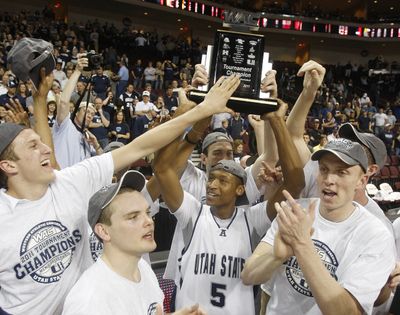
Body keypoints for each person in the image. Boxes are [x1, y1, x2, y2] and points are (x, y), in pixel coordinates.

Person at [0, 70, 240, 314]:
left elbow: (140, 146)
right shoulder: (9, 217)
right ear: (8, 166)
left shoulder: (69, 185)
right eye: (33, 145)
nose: (46, 149)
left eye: (144, 214)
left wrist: (198, 112)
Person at [241, 138, 396, 315]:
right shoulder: (295, 211)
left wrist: (302, 245)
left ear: (362, 181)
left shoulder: (376, 234)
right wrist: (275, 257)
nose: (329, 179)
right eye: (324, 170)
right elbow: (248, 276)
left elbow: (347, 312)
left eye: (341, 172)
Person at [62, 170, 205, 315]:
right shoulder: (89, 300)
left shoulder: (142, 268)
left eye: (147, 213)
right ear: (104, 232)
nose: (149, 221)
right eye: (133, 217)